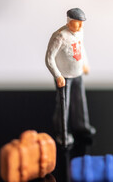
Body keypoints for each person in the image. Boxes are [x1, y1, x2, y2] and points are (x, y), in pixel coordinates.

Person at [45, 8, 95, 147]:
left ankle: (82, 126)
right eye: (77, 23)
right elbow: (49, 58)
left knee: (80, 101)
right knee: (64, 106)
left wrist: (85, 63)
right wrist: (57, 75)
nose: (81, 26)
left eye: (82, 23)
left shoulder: (80, 32)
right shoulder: (60, 36)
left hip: (77, 74)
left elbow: (81, 48)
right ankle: (62, 133)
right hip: (64, 77)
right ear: (69, 21)